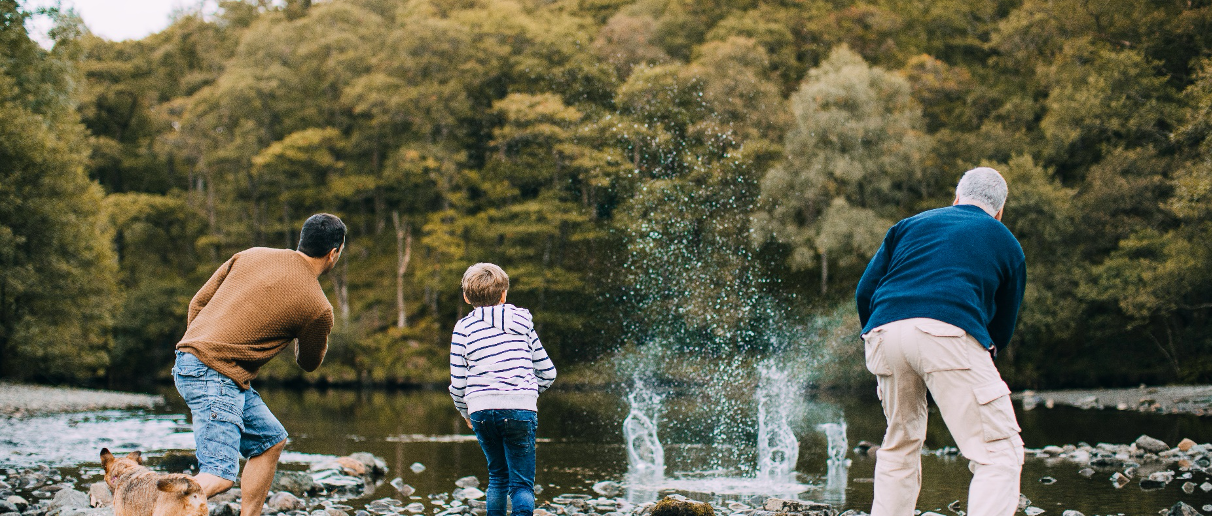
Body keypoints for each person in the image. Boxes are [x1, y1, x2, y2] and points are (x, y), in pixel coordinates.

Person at [855, 167, 1027, 516]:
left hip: (883, 331)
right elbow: (1003, 327)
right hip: (948, 331)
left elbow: (865, 291)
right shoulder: (1006, 241)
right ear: (999, 211)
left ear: (957, 197)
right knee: (999, 453)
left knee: (899, 445)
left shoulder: (908, 225)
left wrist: (880, 336)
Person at [173, 213, 345, 516]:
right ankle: (152, 504)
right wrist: (306, 330)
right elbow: (308, 363)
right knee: (219, 475)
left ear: (302, 239)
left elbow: (197, 303)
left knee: (271, 440)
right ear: (333, 253)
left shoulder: (251, 255)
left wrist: (198, 350)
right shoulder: (318, 307)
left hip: (195, 361)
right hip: (216, 372)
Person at [449, 263, 557, 516]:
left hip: (481, 409)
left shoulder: (463, 329)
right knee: (522, 485)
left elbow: (458, 384)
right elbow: (548, 372)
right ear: (504, 294)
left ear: (466, 297)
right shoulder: (523, 323)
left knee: (497, 477)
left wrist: (466, 413)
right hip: (521, 409)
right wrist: (526, 394)